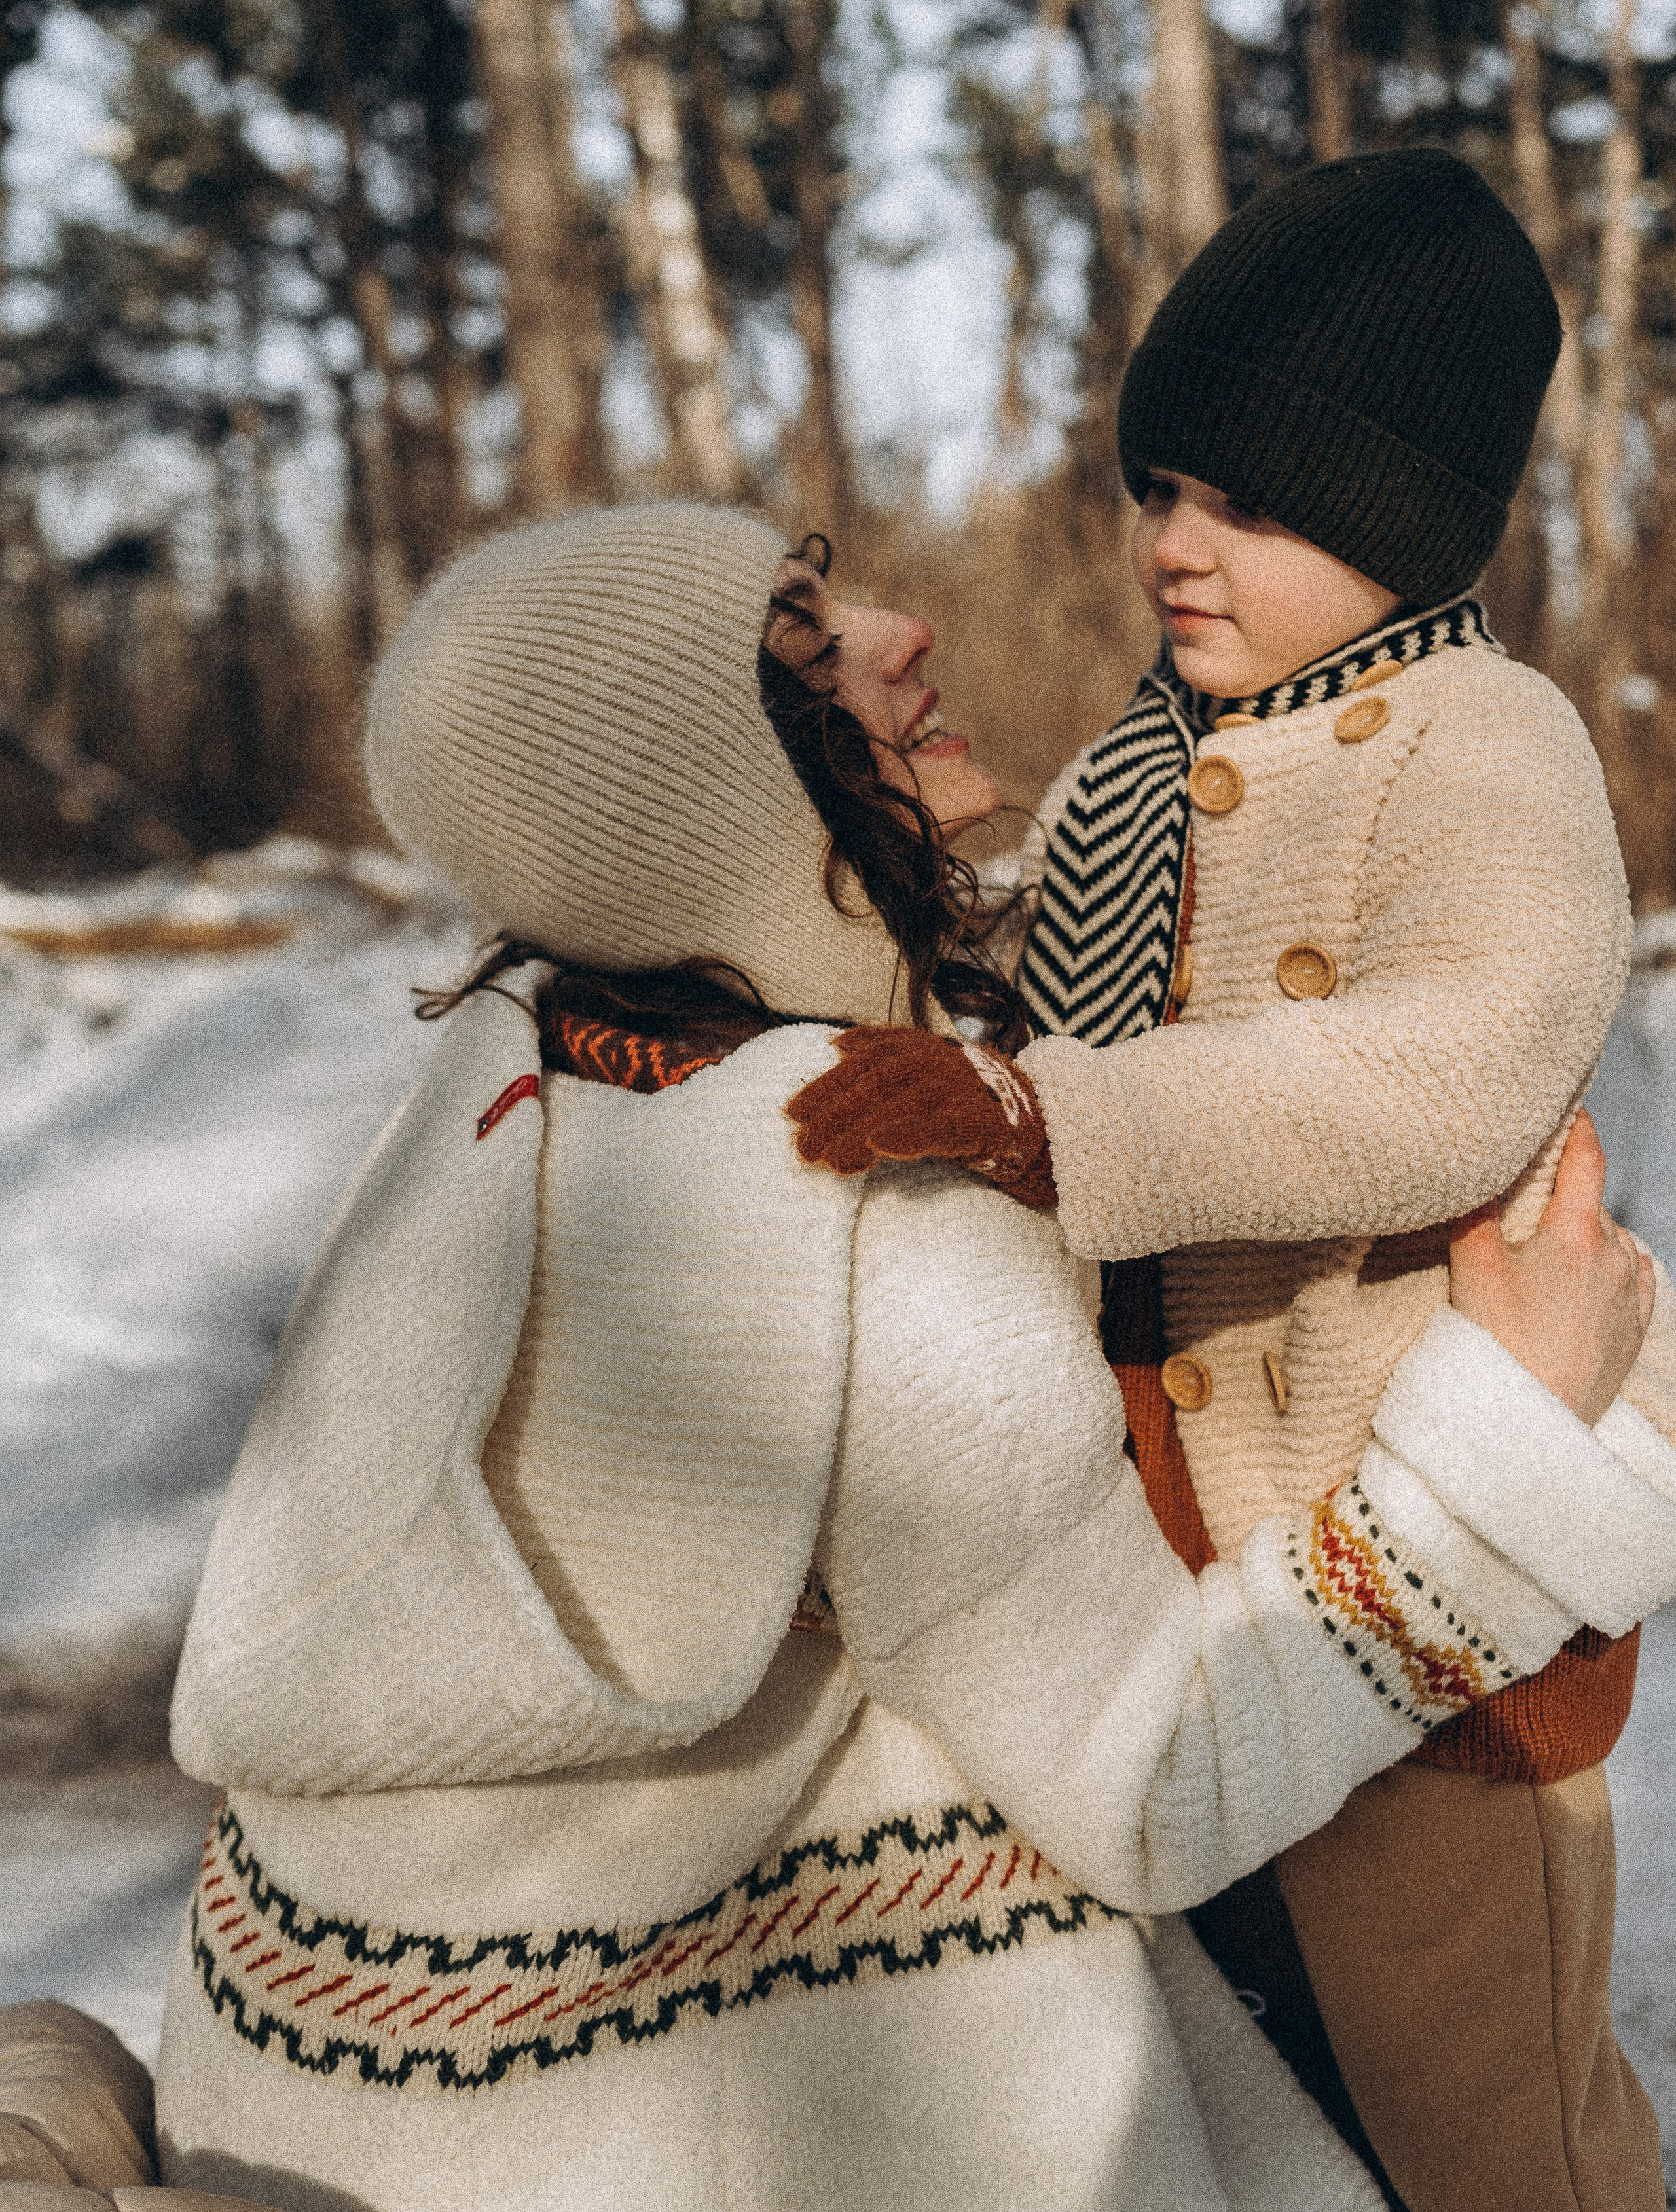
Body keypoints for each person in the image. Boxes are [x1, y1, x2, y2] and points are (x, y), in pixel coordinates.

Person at [143, 503, 1676, 2212]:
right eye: (810, 646)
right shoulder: (857, 1204)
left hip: (344, 2119)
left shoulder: (505, 1087)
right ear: (707, 794)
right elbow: (1160, 1780)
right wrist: (1517, 1433)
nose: (902, 632)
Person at [786, 148, 1676, 2211]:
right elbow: (1050, 996)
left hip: (1425, 1545)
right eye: (1160, 486)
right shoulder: (1135, 763)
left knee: (1480, 2114)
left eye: (1251, 508)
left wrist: (1055, 1130)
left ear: (1400, 519)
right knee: (1237, 2094)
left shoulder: (1486, 740)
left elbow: (1449, 1070)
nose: (1179, 548)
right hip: (1170, 1562)